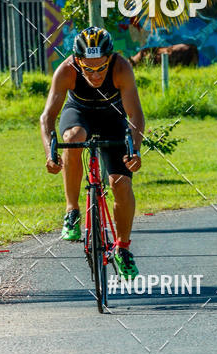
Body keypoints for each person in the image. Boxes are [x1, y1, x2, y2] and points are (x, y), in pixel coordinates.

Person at [40, 26, 145, 279]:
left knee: (119, 183)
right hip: (79, 114)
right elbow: (47, 118)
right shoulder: (66, 70)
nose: (95, 75)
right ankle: (72, 211)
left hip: (113, 120)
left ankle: (123, 247)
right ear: (78, 60)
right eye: (88, 68)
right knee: (73, 138)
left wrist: (135, 150)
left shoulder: (121, 68)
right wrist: (50, 154)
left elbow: (135, 115)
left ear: (110, 58)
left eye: (101, 67)